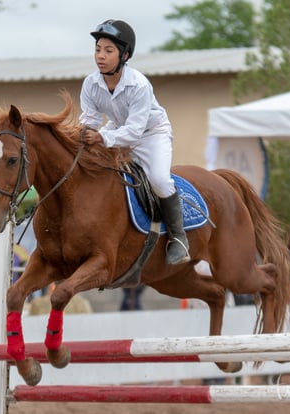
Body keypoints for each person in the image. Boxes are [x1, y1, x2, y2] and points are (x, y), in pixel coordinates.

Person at [79, 19, 190, 266]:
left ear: (125, 55)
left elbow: (135, 131)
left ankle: (178, 238)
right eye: (98, 49)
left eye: (109, 51)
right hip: (116, 130)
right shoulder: (90, 84)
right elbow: (90, 119)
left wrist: (101, 137)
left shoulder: (139, 84)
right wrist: (82, 135)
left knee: (160, 181)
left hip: (151, 134)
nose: (100, 56)